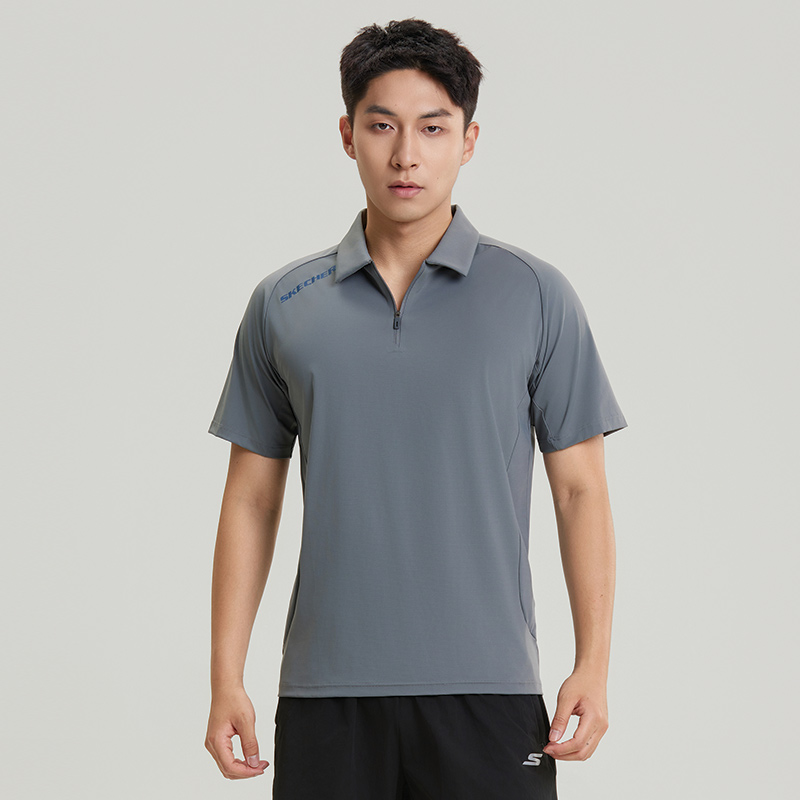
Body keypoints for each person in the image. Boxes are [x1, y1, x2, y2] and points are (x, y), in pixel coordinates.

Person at [204, 17, 627, 800]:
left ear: (468, 141)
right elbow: (251, 498)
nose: (406, 155)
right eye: (382, 126)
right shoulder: (284, 304)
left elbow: (580, 490)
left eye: (433, 128)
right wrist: (225, 677)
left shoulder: (535, 295)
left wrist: (592, 666)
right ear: (347, 135)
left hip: (492, 693)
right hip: (327, 693)